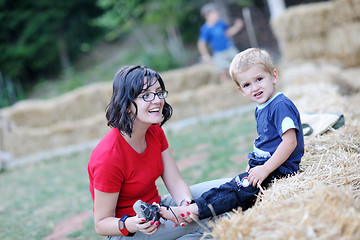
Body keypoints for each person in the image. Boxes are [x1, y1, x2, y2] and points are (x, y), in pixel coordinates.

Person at [161, 48, 304, 226]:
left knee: (236, 190)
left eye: (259, 79)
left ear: (274, 76)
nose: (255, 88)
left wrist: (265, 169)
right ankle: (191, 208)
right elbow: (267, 140)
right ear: (241, 90)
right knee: (231, 187)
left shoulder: (280, 105)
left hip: (280, 170)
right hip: (265, 166)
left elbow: (290, 142)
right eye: (247, 85)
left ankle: (192, 211)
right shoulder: (263, 105)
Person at [87, 65, 229, 239]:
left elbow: (175, 181)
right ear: (127, 104)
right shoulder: (108, 156)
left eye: (159, 92)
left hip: (159, 207)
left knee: (229, 192)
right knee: (219, 221)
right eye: (146, 95)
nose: (157, 100)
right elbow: (101, 223)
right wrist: (131, 224)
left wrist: (186, 206)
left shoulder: (154, 130)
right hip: (131, 231)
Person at [198, 2, 244, 82]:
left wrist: (237, 27)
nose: (217, 15)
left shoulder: (220, 23)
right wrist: (205, 55)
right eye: (214, 13)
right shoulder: (205, 29)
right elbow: (201, 44)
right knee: (222, 72)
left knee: (239, 64)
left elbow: (227, 33)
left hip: (229, 48)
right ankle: (226, 87)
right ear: (207, 16)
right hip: (218, 53)